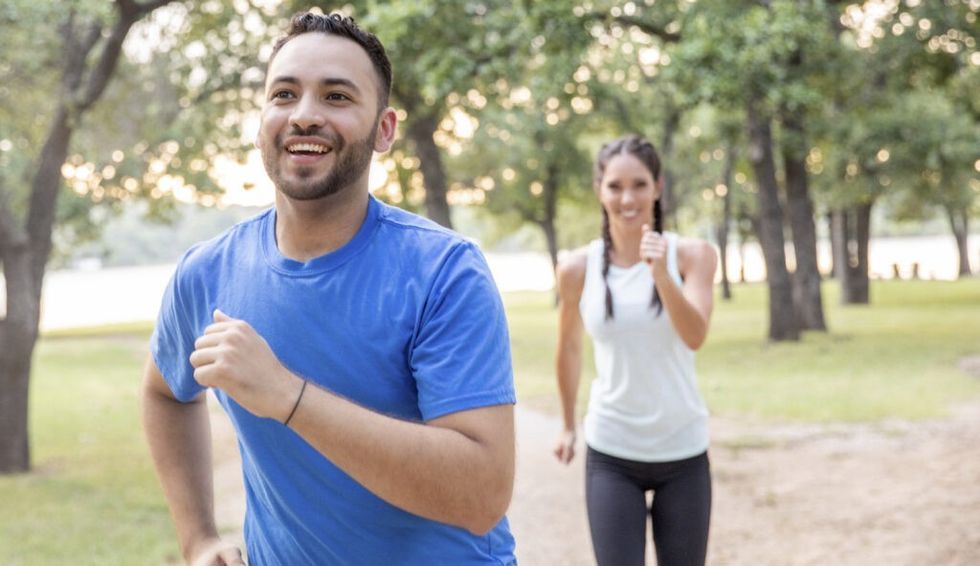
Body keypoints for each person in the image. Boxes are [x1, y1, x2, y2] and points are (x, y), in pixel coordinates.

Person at [142, 12, 517, 566]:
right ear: (263, 117)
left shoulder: (444, 272)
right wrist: (198, 537)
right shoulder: (207, 273)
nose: (305, 116)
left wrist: (288, 397)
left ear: (384, 129)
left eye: (337, 97)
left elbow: (482, 494)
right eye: (284, 94)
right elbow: (164, 394)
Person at [553, 135, 717, 566]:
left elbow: (695, 335)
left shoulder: (693, 255)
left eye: (640, 184)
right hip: (613, 452)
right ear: (599, 190)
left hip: (682, 451)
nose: (628, 198)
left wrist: (661, 275)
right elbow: (569, 347)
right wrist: (569, 425)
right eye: (615, 186)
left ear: (658, 186)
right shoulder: (576, 268)